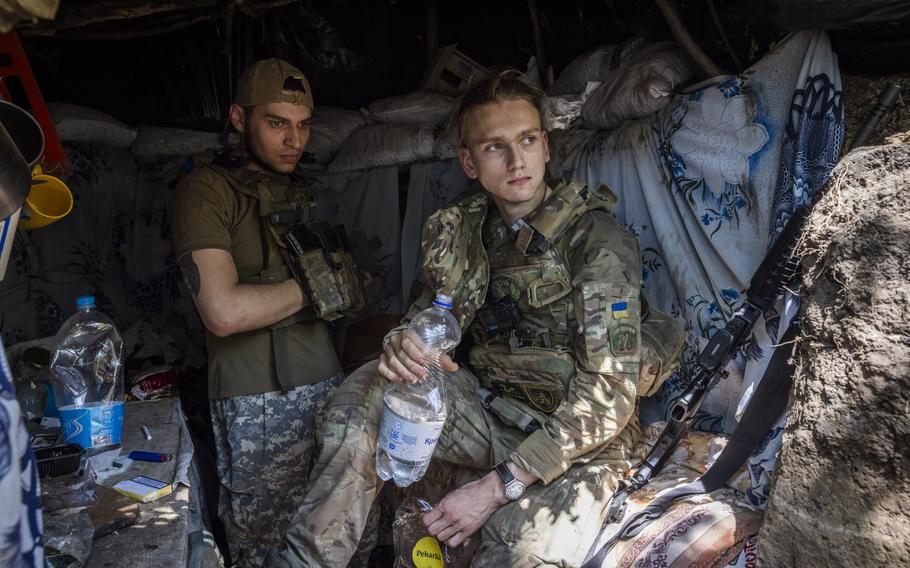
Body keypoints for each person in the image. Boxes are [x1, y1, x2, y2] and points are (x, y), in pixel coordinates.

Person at [265, 70, 682, 567]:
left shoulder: (596, 242)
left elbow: (609, 396)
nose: (515, 160)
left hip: (576, 438)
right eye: (494, 147)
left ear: (546, 147)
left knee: (516, 546)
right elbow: (429, 314)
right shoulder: (464, 232)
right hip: (490, 413)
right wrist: (405, 341)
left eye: (527, 140)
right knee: (363, 396)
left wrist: (497, 486)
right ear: (468, 161)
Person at [169, 58, 363, 567]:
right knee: (268, 550)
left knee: (343, 541)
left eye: (302, 126)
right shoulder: (206, 190)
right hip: (257, 399)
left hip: (330, 387)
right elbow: (223, 311)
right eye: (276, 123)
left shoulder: (303, 191)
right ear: (238, 118)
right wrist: (316, 288)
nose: (293, 139)